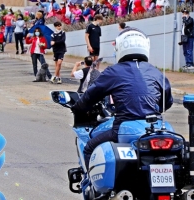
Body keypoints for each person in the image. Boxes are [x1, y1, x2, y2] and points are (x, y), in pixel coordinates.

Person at [72, 27, 173, 171]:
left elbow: (89, 96)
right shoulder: (155, 71)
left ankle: (95, 189)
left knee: (89, 148)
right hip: (155, 128)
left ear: (120, 47)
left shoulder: (113, 71)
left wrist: (77, 107)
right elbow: (167, 102)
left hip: (124, 127)